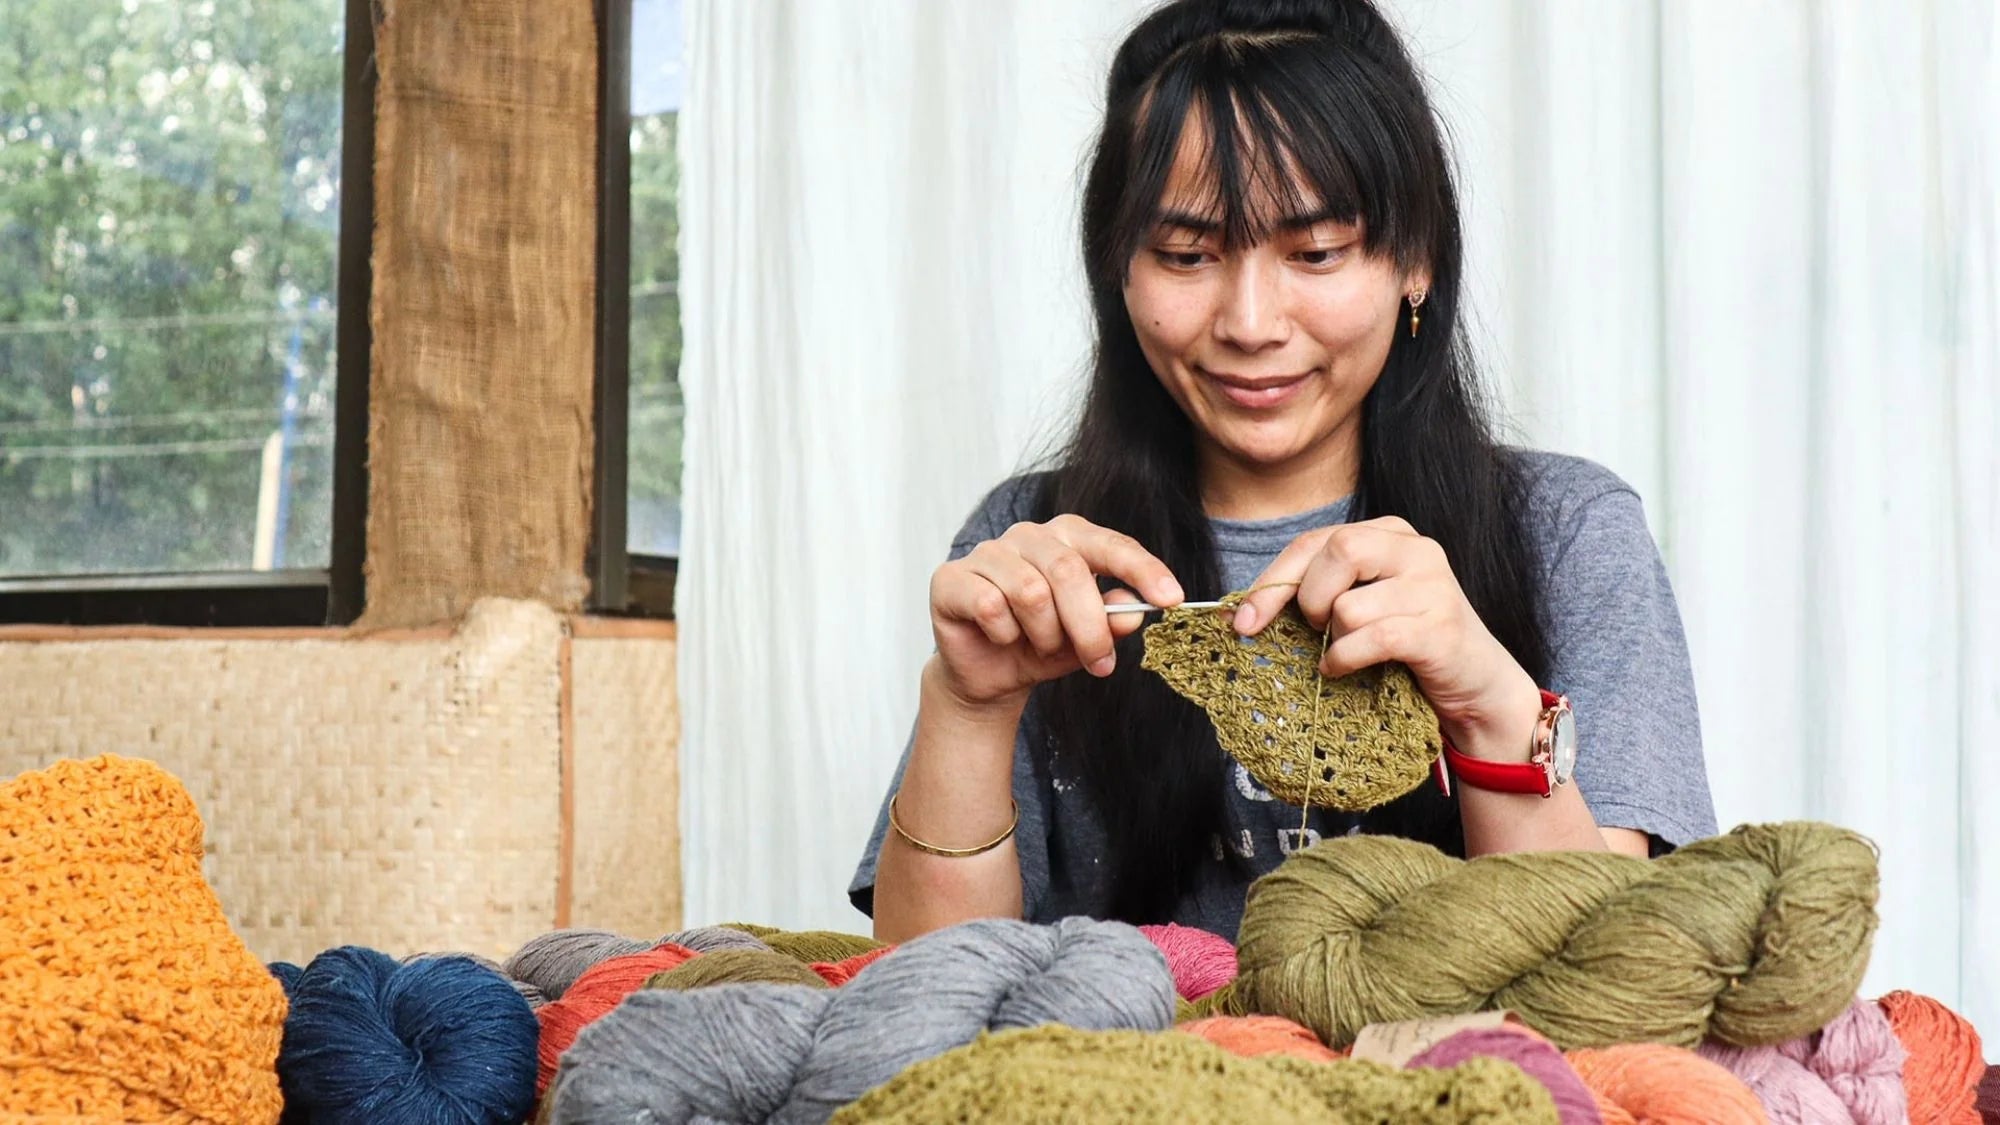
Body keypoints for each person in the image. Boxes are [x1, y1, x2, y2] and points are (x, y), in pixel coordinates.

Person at [850, 0, 1717, 944]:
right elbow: (921, 986)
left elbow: (1615, 976)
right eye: (1187, 255)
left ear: (1415, 258)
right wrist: (969, 707)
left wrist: (1485, 699)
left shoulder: (1568, 531)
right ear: (1120, 270)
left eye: (1316, 253)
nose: (1252, 322)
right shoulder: (1029, 541)